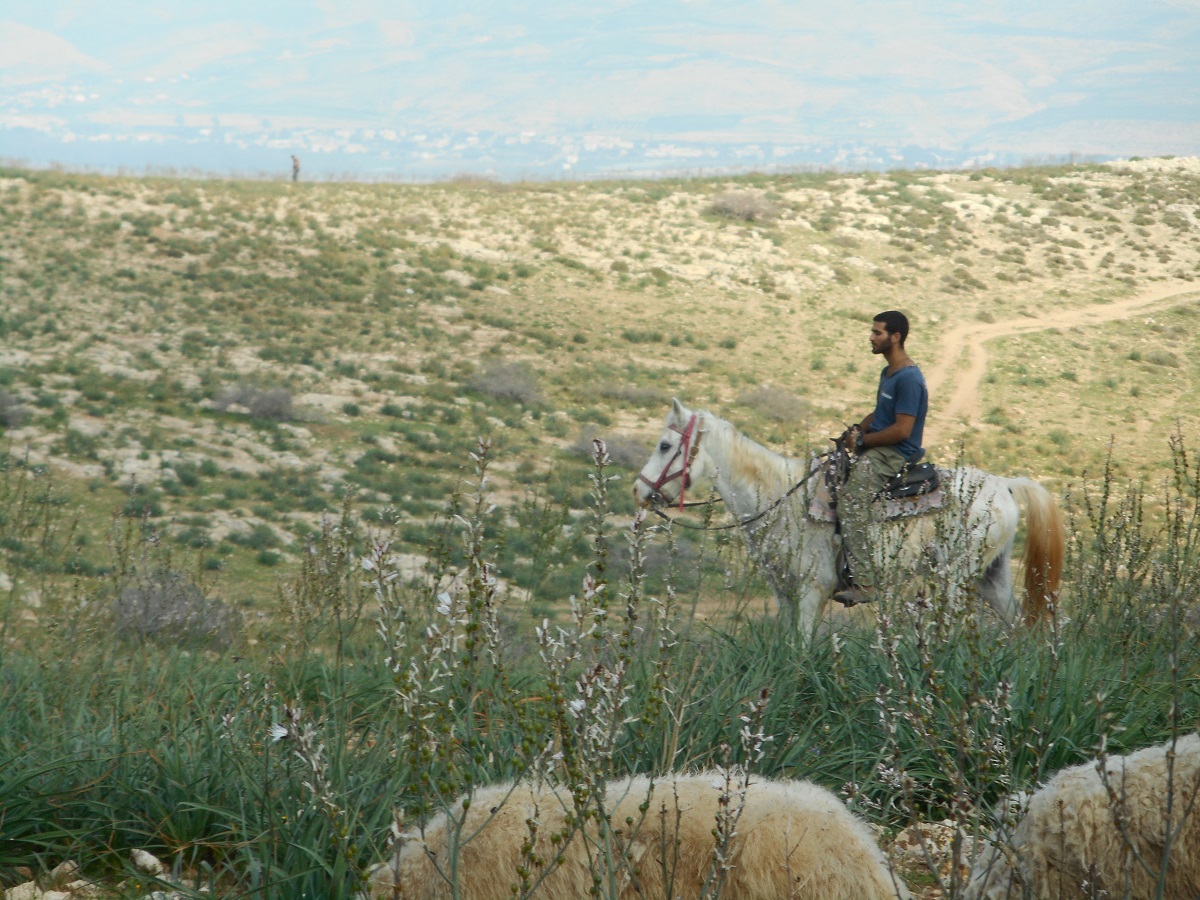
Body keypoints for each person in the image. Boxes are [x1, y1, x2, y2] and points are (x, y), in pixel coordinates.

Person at [833, 310, 928, 607]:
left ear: (895, 337)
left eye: (877, 333)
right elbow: (881, 414)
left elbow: (902, 429)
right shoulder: (888, 373)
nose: (871, 338)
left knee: (851, 501)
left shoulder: (909, 379)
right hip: (879, 446)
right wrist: (854, 431)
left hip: (894, 453)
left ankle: (866, 582)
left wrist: (862, 441)